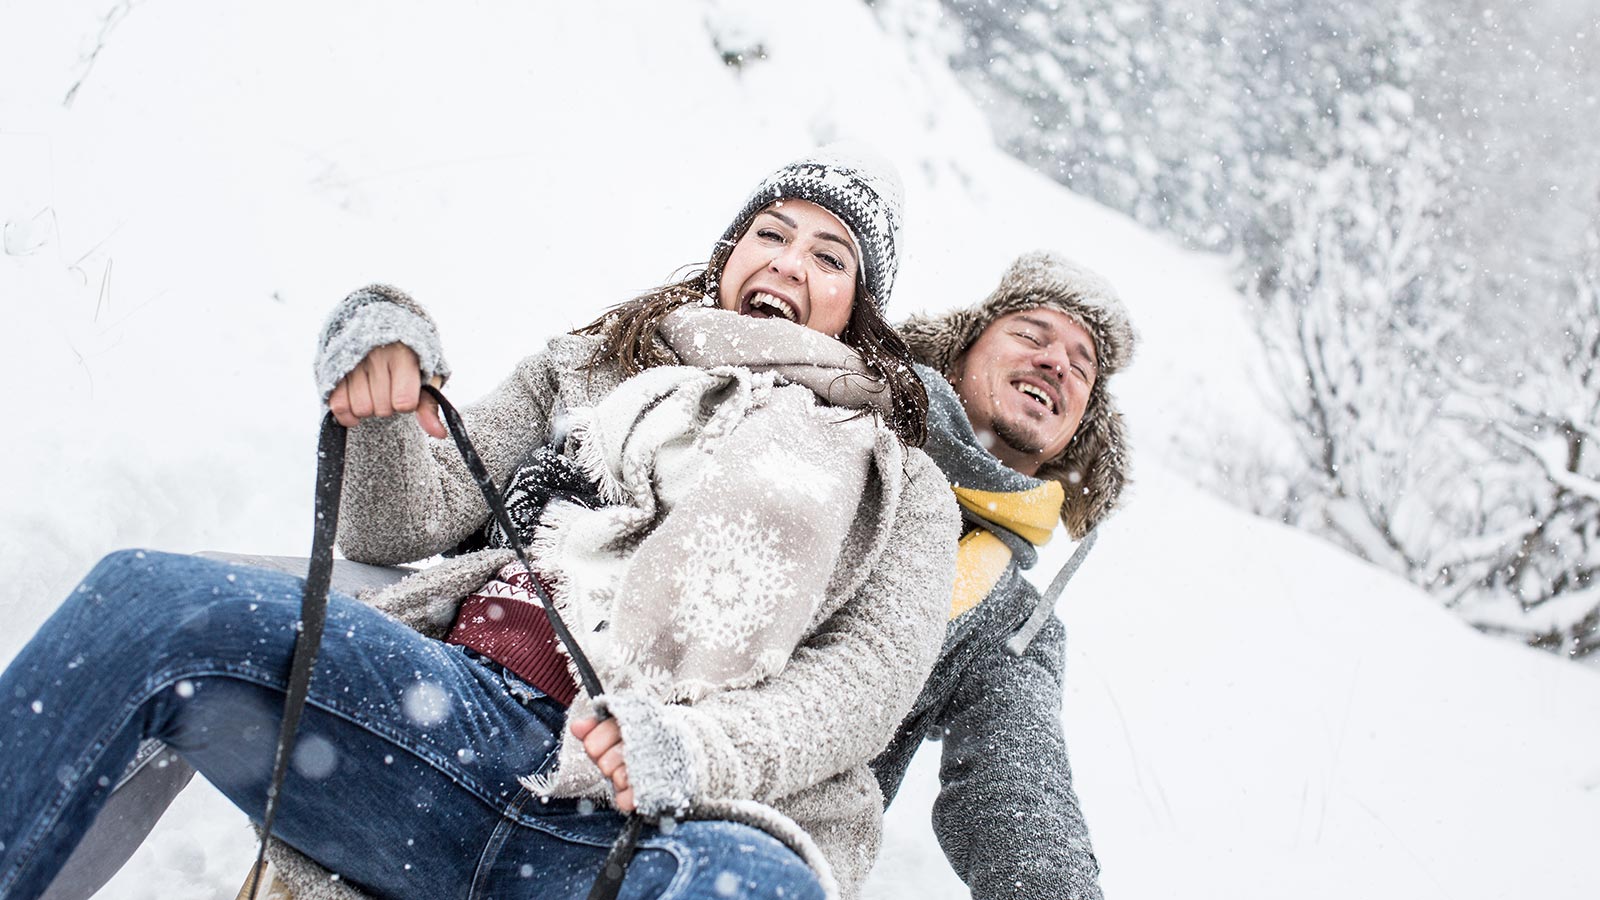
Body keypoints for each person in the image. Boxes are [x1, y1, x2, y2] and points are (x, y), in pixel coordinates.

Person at [0, 146, 959, 900]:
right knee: (149, 601)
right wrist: (381, 376)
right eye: (770, 233)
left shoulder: (902, 485)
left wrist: (688, 749)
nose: (788, 262)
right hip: (443, 729)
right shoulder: (589, 367)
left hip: (652, 827)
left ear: (858, 308)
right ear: (730, 252)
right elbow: (396, 524)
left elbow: (860, 689)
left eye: (828, 256)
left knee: (759, 892)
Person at [873, 251, 1137, 900]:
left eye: (1082, 366)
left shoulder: (1015, 625)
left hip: (771, 854)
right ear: (959, 352)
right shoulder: (840, 421)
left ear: (1078, 432)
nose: (1057, 363)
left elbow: (1021, 792)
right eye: (1030, 334)